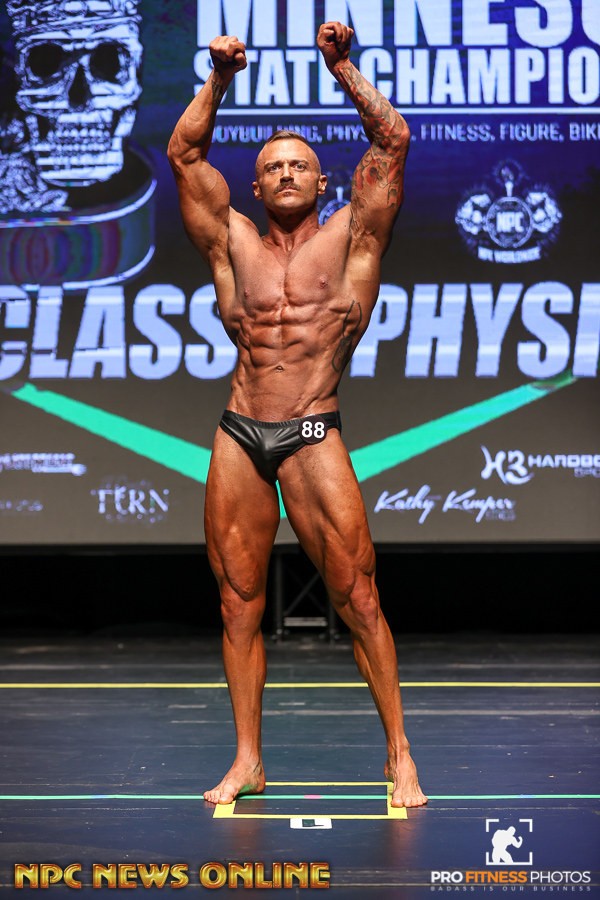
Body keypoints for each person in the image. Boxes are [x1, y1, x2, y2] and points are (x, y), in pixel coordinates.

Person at [167, 21, 427, 809]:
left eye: (299, 166)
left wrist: (341, 67)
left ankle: (400, 756)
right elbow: (184, 155)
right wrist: (218, 78)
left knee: (358, 598)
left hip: (314, 428)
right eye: (272, 167)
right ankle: (248, 760)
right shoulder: (231, 242)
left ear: (322, 184)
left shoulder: (354, 238)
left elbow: (393, 139)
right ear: (254, 187)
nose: (285, 173)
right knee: (237, 602)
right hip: (240, 430)